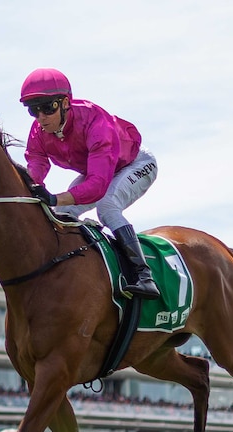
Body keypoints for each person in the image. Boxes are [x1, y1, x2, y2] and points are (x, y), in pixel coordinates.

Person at [19, 67, 160, 299]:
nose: (41, 117)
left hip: (134, 163)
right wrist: (31, 186)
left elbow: (97, 186)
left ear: (65, 103)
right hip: (97, 167)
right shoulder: (39, 130)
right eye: (33, 110)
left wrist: (54, 196)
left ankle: (143, 275)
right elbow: (37, 163)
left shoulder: (95, 122)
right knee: (61, 212)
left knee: (107, 206)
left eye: (47, 108)